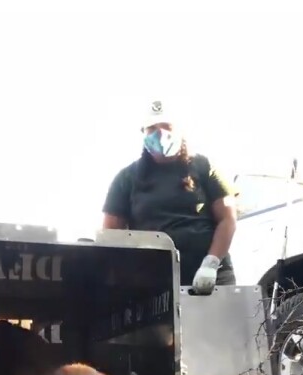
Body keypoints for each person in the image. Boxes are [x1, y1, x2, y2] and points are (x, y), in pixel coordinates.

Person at [101, 99, 239, 293]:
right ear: (143, 133)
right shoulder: (126, 178)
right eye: (152, 129)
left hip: (211, 279)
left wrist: (211, 263)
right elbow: (110, 236)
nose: (160, 134)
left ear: (179, 131)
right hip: (154, 285)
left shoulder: (203, 166)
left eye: (167, 127)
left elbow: (228, 218)